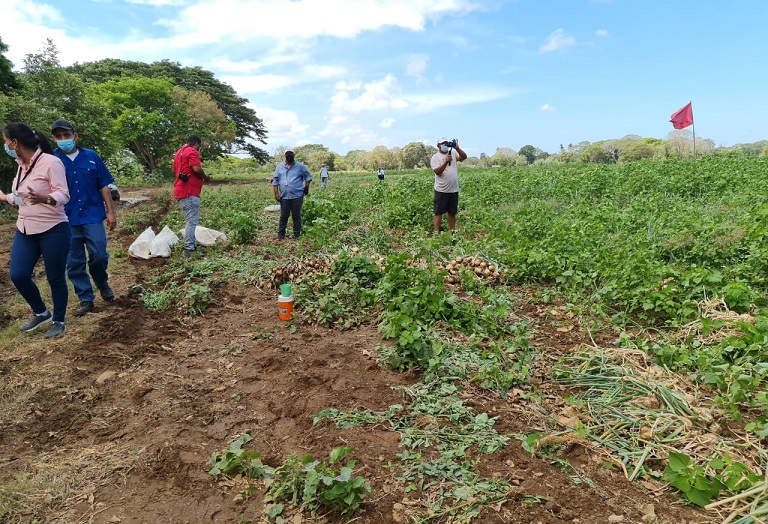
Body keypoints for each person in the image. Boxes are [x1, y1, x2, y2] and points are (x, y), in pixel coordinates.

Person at [1, 123, 71, 338]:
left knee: (55, 277)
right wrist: (5, 197)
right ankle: (41, 312)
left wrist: (46, 198)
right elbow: (23, 196)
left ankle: (58, 320)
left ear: (15, 142)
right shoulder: (21, 165)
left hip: (53, 228)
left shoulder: (51, 163)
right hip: (25, 227)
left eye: (6, 142)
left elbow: (64, 195)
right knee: (18, 274)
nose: (5, 145)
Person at [51, 119, 117, 317]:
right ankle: (86, 298)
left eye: (67, 135)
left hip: (92, 215)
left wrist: (110, 211)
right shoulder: (53, 161)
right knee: (74, 261)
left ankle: (101, 281)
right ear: (54, 139)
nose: (63, 140)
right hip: (66, 218)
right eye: (59, 137)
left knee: (99, 254)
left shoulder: (91, 157)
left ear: (75, 136)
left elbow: (103, 185)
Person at [173, 135, 211, 258]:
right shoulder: (192, 151)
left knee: (190, 220)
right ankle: (189, 249)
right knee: (191, 221)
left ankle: (192, 246)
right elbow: (196, 169)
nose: (198, 148)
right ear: (196, 144)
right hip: (189, 191)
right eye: (199, 146)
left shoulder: (179, 153)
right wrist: (205, 177)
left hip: (180, 189)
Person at [272, 148, 311, 240]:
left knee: (296, 216)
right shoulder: (279, 167)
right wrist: (276, 193)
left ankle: (296, 235)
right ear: (285, 155)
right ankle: (280, 235)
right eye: (287, 154)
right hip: (284, 196)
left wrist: (306, 188)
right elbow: (275, 180)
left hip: (297, 196)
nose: (289, 155)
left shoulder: (300, 166)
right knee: (283, 216)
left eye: (291, 154)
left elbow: (308, 177)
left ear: (294, 155)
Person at [430, 137, 467, 233]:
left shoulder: (453, 153)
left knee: (452, 212)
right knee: (438, 212)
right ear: (438, 146)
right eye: (443, 143)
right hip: (441, 190)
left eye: (446, 143)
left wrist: (457, 148)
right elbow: (437, 172)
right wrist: (446, 161)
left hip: (453, 189)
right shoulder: (435, 157)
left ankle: (452, 231)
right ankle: (436, 232)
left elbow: (464, 157)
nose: (445, 145)